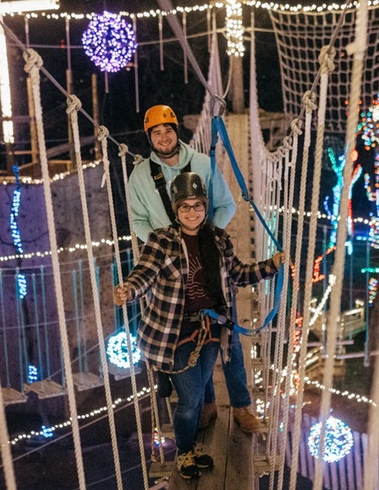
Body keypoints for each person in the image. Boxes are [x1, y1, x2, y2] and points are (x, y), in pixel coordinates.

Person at [114, 173, 285, 479]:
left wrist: (270, 266)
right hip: (175, 334)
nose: (192, 212)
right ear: (176, 211)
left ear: (205, 207)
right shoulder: (162, 241)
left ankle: (192, 444)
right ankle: (184, 451)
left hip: (211, 330)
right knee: (191, 402)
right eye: (185, 207)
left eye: (197, 206)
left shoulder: (218, 239)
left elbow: (238, 274)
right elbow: (144, 273)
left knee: (197, 392)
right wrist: (128, 290)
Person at [127, 104, 263, 435]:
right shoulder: (140, 175)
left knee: (227, 337)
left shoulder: (202, 164)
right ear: (149, 138)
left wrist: (202, 236)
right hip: (171, 271)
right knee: (189, 339)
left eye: (168, 130)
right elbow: (138, 221)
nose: (163, 137)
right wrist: (168, 246)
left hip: (209, 262)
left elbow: (227, 204)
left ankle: (242, 406)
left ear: (178, 132)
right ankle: (206, 403)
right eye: (156, 133)